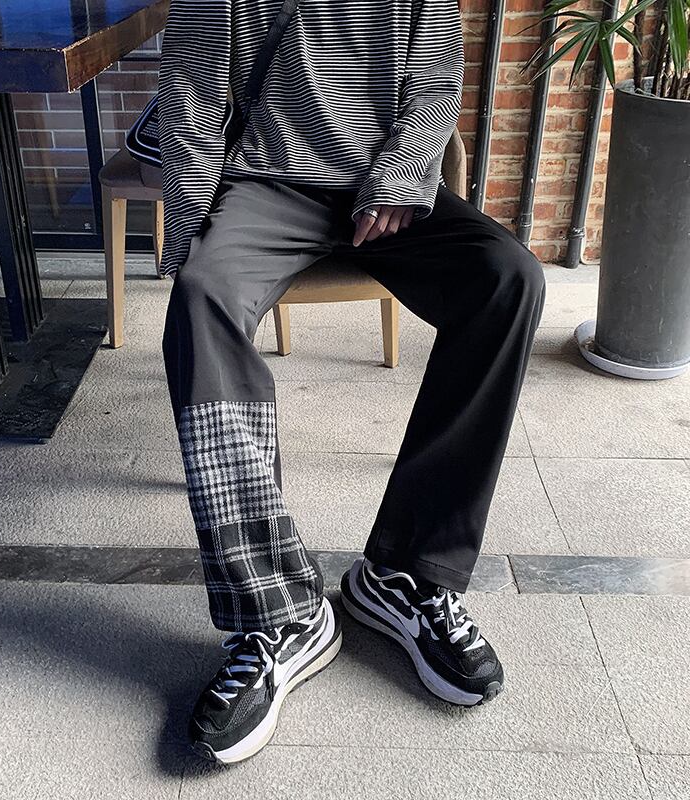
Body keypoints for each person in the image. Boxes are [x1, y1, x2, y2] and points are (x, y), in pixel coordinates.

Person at [156, 0, 546, 765]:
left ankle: (405, 572)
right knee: (201, 299)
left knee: (508, 280)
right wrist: (193, 224)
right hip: (269, 184)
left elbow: (435, 82)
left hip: (385, 189)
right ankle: (280, 612)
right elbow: (193, 85)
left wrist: (399, 178)